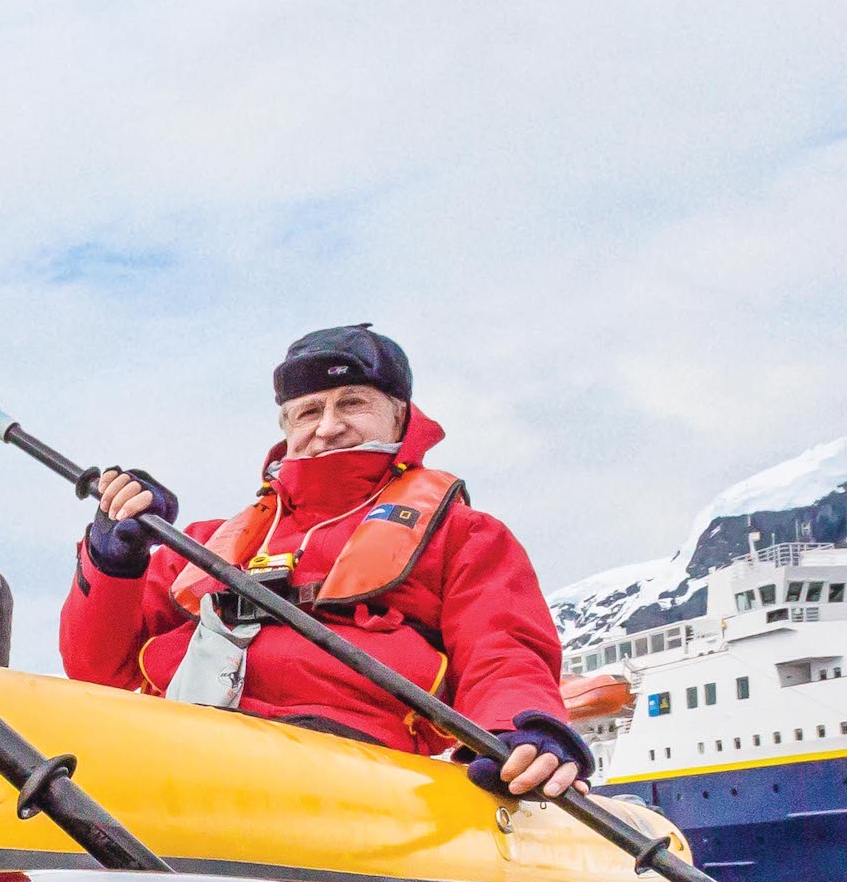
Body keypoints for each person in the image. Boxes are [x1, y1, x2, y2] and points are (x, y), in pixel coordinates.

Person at [59, 325, 594, 799]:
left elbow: (502, 649)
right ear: (285, 426)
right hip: (168, 749)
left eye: (353, 402)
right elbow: (97, 669)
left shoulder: (464, 535)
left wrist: (518, 728)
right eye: (309, 411)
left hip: (351, 769)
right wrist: (113, 557)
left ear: (401, 414)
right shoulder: (205, 542)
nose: (329, 426)